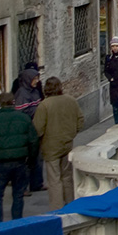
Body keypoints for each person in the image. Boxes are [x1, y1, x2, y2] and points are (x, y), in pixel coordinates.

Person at [0, 92, 38, 224]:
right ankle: (16, 224)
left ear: (0, 104)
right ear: (13, 102)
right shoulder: (24, 118)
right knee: (18, 195)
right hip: (20, 162)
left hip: (0, 163)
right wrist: (31, 161)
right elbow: (34, 141)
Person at [31, 77, 83, 211]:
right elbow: (80, 120)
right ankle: (70, 204)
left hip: (50, 146)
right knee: (67, 176)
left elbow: (38, 128)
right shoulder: (71, 100)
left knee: (54, 179)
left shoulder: (44, 105)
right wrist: (72, 133)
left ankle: (57, 209)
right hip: (67, 143)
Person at [13, 66, 44, 193]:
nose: (36, 81)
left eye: (37, 78)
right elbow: (21, 112)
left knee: (37, 158)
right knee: (26, 161)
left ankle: (37, 183)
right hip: (26, 131)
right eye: (34, 78)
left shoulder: (35, 91)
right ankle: (23, 187)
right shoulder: (22, 93)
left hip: (35, 129)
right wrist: (39, 109)